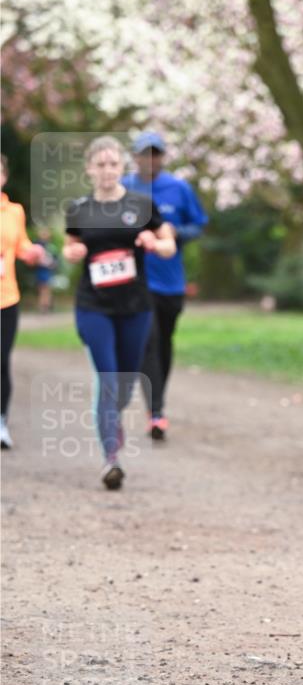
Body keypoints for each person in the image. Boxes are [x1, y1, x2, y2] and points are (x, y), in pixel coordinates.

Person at [63, 136, 176, 490]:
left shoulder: (141, 205)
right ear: (89, 169)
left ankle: (113, 424)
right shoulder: (79, 208)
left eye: (113, 164)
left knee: (125, 384)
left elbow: (169, 244)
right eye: (100, 164)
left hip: (135, 307)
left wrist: (155, 243)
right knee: (108, 380)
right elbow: (70, 245)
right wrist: (73, 253)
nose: (107, 171)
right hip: (93, 306)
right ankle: (111, 459)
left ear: (122, 167)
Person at [122, 131, 208, 440]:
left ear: (162, 156)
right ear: (135, 157)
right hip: (137, 281)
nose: (150, 159)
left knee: (164, 344)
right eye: (144, 153)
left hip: (171, 283)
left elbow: (199, 225)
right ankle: (155, 412)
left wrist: (176, 232)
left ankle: (157, 400)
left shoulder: (179, 188)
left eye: (155, 153)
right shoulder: (124, 188)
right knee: (149, 342)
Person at [1, 155, 47, 449]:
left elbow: (21, 246)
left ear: (4, 177)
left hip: (6, 298)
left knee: (1, 360)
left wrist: (33, 253)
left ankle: (1, 422)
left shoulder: (14, 211)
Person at [34, 226, 58, 313]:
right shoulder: (37, 245)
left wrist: (52, 264)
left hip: (48, 271)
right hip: (41, 270)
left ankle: (46, 306)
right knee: (42, 289)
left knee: (46, 289)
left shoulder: (51, 247)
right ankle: (44, 306)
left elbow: (56, 260)